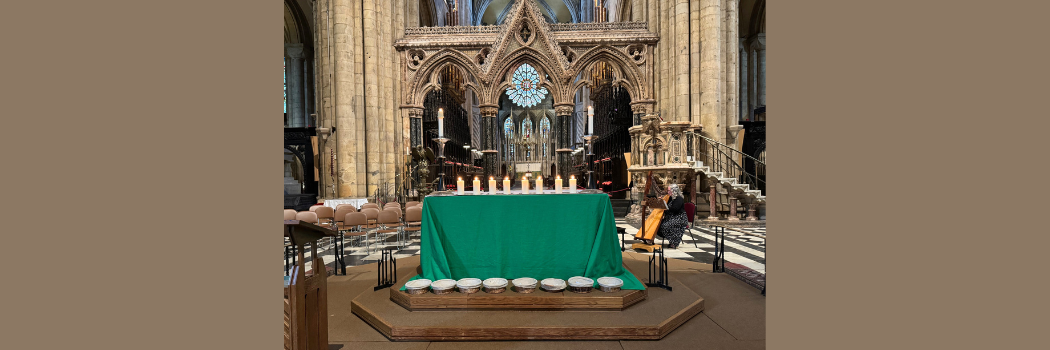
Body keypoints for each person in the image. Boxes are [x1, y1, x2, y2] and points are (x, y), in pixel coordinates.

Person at [656, 184, 688, 249]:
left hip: (679, 218)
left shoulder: (679, 198)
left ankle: (674, 242)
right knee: (658, 225)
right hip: (672, 217)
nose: (668, 192)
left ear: (674, 191)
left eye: (669, 190)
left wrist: (665, 207)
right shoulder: (670, 198)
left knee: (665, 226)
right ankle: (671, 240)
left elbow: (675, 209)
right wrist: (661, 202)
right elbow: (667, 207)